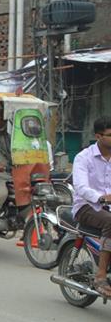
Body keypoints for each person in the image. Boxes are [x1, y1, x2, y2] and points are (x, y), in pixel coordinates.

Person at [72, 117, 111, 297]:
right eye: (110, 135)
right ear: (98, 136)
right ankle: (101, 274)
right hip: (87, 206)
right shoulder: (84, 157)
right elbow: (81, 187)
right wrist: (101, 198)